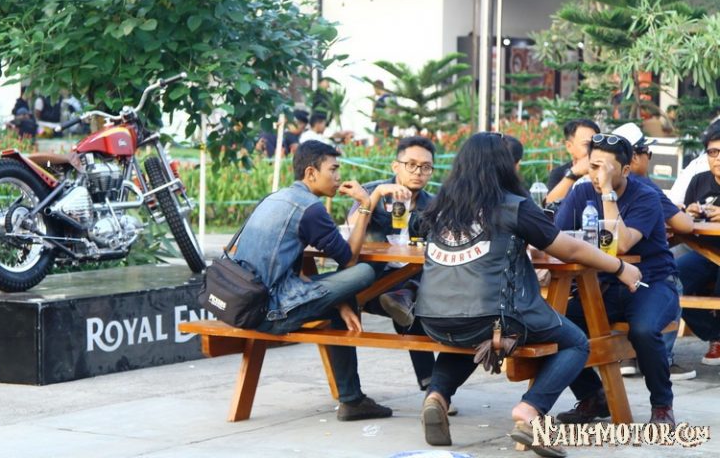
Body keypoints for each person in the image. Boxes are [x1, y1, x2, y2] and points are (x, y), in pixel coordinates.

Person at [411, 133, 641, 453]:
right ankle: (530, 410)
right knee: (575, 342)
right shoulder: (513, 206)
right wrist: (618, 267)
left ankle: (437, 396)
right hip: (496, 315)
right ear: (505, 166)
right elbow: (570, 248)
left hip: (433, 317)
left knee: (469, 331)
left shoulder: (439, 207)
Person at [232, 140, 411, 421]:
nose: (338, 177)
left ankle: (352, 400)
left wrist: (339, 302)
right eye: (333, 169)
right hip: (269, 310)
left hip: (244, 301)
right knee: (364, 272)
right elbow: (349, 260)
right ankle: (352, 400)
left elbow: (293, 268)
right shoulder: (310, 208)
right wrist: (366, 204)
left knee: (342, 304)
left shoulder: (274, 198)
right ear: (311, 173)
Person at [555, 132, 680, 427]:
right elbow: (556, 239)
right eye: (593, 166)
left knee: (644, 331)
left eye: (606, 168)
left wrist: (608, 192)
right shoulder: (580, 194)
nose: (597, 175)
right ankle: (593, 396)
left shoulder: (646, 196)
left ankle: (662, 405)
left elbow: (621, 244)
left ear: (625, 170)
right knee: (553, 326)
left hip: (652, 283)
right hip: (603, 287)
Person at [345, 136, 437, 395]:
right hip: (373, 284)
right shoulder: (372, 191)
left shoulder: (434, 204)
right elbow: (351, 229)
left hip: (415, 281)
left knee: (412, 305)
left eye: (426, 167)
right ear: (396, 166)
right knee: (409, 308)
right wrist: (375, 196)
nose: (418, 172)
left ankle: (435, 388)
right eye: (411, 165)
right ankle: (436, 389)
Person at [610, 123, 695, 381]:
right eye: (648, 152)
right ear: (635, 157)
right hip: (646, 273)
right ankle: (663, 360)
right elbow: (685, 225)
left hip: (609, 273)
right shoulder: (644, 188)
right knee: (673, 282)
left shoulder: (595, 186)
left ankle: (627, 357)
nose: (649, 157)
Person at [675, 124, 720, 368]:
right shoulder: (699, 181)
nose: (718, 158)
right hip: (704, 252)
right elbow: (682, 220)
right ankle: (715, 335)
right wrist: (689, 213)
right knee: (669, 278)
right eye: (713, 152)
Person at [545, 119, 600, 205]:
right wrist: (573, 174)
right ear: (569, 146)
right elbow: (549, 204)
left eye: (596, 144)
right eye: (587, 145)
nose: (593, 149)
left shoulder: (605, 170)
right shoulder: (559, 173)